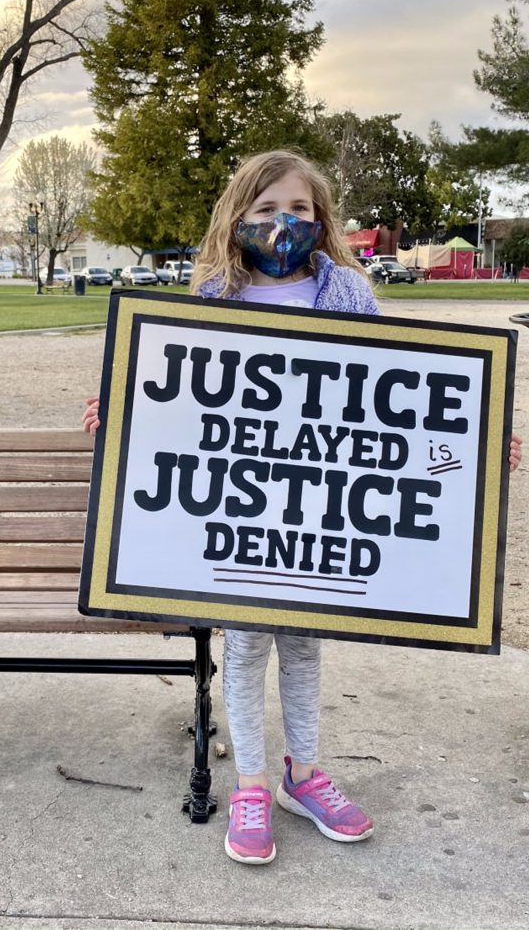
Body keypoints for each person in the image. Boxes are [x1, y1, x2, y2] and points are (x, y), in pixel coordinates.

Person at [81, 148, 523, 866]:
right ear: (238, 217)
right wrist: (122, 410)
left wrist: (475, 440)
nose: (282, 223)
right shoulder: (214, 296)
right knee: (248, 647)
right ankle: (252, 783)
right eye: (265, 210)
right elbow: (176, 393)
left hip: (319, 514)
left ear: (321, 221)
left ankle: (303, 774)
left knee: (306, 646)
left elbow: (402, 391)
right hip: (242, 515)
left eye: (299, 210)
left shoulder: (346, 291)